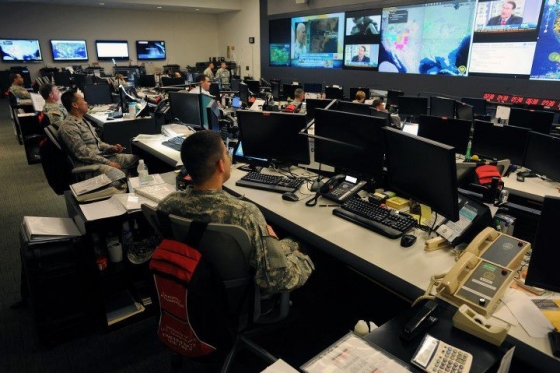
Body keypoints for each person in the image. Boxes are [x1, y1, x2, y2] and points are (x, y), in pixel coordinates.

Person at [158, 131, 314, 298]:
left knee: (289, 242)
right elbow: (279, 279)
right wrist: (304, 258)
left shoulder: (168, 204)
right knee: (305, 244)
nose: (229, 158)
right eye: (226, 153)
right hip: (237, 300)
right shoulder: (244, 214)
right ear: (220, 165)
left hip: (193, 287)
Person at [58, 89, 138, 176]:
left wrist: (111, 148)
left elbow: (98, 143)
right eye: (83, 100)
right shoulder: (69, 127)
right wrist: (108, 162)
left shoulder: (83, 120)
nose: (86, 102)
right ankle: (123, 186)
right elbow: (83, 154)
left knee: (136, 159)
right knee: (118, 175)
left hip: (100, 158)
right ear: (75, 105)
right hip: (89, 164)